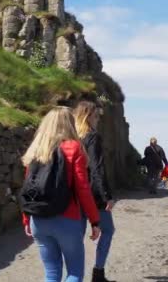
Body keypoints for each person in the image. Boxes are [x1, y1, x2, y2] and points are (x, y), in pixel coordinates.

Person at [21, 106, 101, 282]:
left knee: (51, 272)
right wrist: (94, 220)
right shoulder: (73, 148)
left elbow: (29, 187)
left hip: (38, 220)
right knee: (74, 273)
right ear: (70, 124)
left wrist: (26, 218)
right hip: (67, 219)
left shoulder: (35, 149)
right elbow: (83, 189)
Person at [74, 101, 116, 282]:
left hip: (75, 192)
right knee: (108, 230)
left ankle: (75, 276)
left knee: (77, 236)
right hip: (93, 193)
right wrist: (107, 195)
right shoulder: (93, 137)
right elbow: (97, 168)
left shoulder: (72, 137)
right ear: (88, 116)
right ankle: (98, 273)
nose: (98, 119)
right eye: (96, 116)